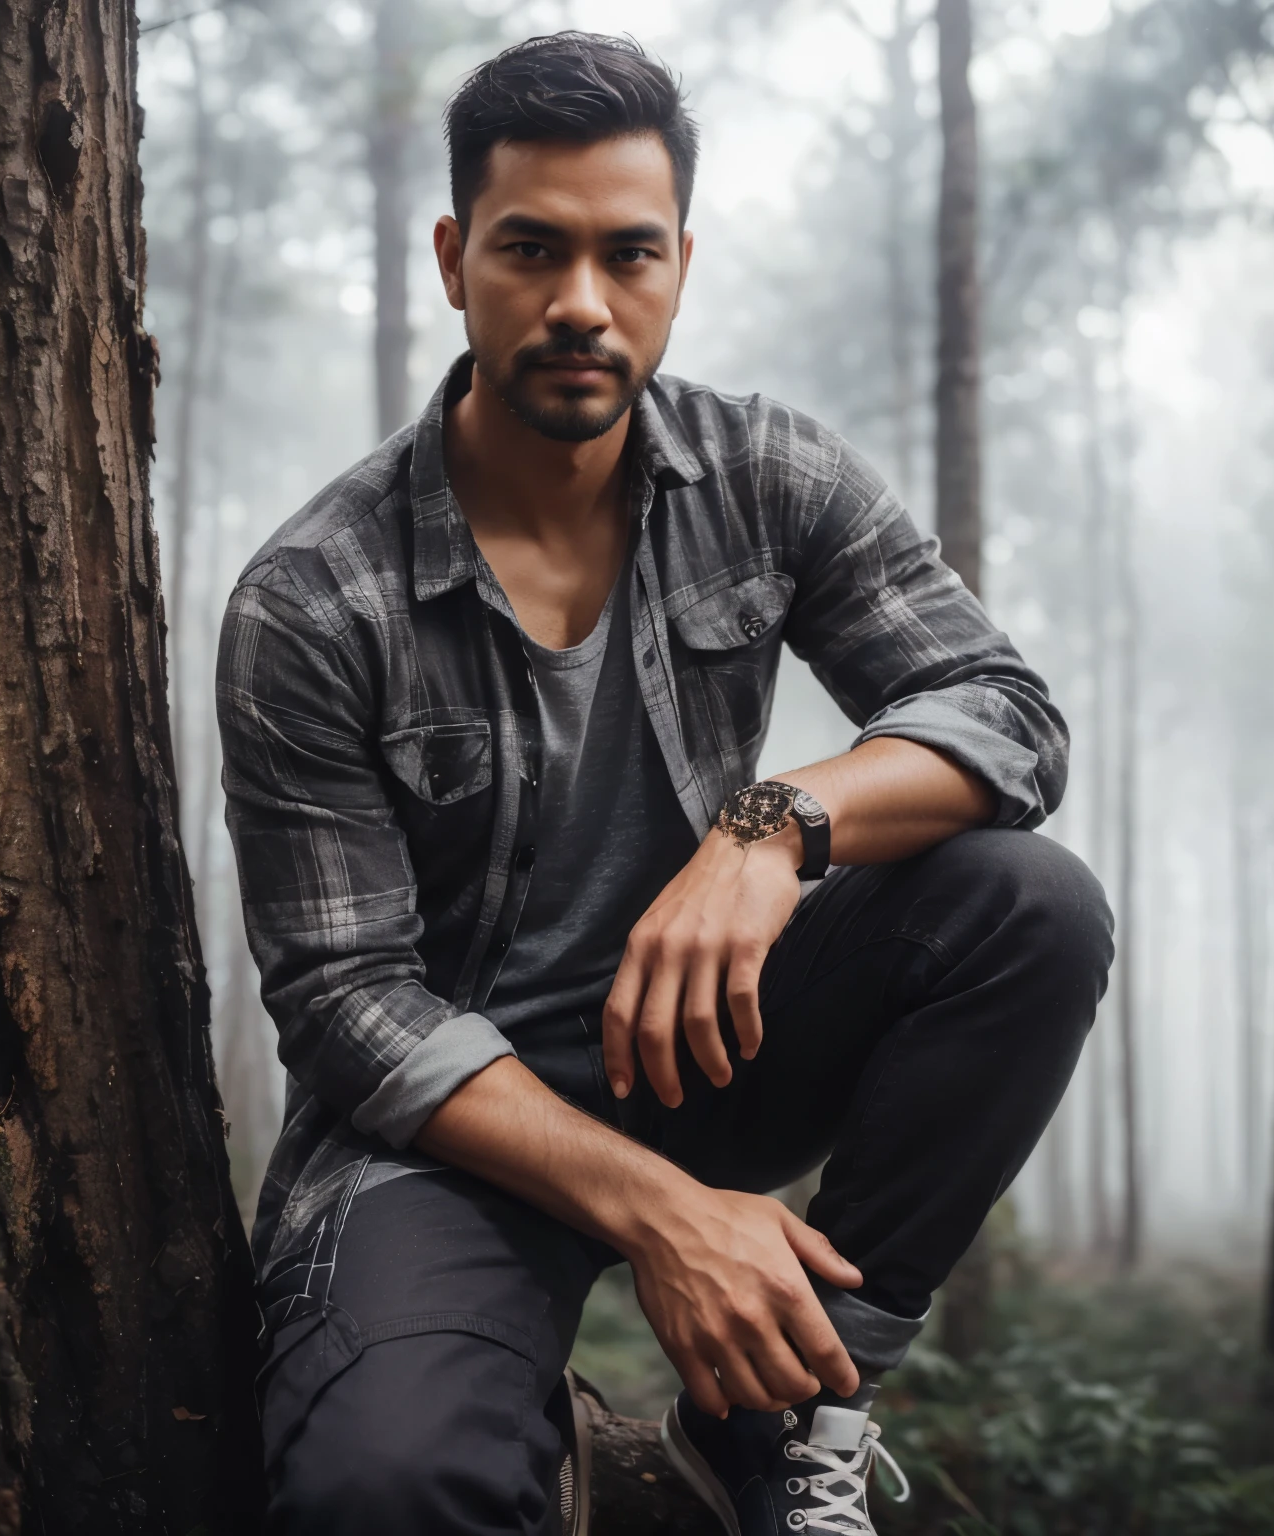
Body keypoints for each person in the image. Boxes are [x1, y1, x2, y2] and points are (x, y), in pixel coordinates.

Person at [216, 30, 1113, 1536]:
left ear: (680, 262)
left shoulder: (771, 476)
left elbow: (1005, 713)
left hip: (704, 1041)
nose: (582, 302)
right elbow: (350, 1006)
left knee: (1026, 910)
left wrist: (769, 836)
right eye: (531, 250)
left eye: (627, 253)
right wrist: (665, 1217)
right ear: (454, 259)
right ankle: (506, 1413)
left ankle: (783, 1423)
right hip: (450, 1127)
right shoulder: (314, 599)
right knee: (391, 1486)